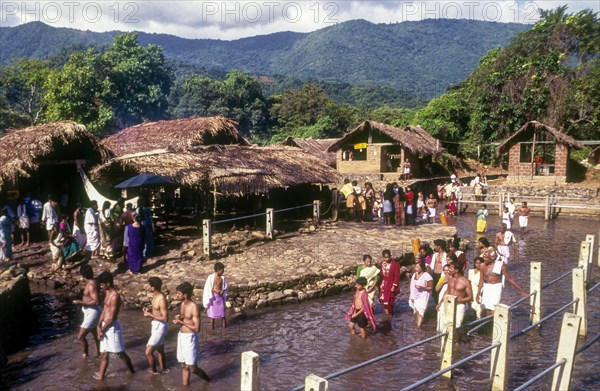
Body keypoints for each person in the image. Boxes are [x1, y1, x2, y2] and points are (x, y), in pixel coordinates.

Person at [95, 271, 135, 380]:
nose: (101, 287)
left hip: (112, 327)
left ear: (108, 283)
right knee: (103, 354)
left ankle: (132, 373)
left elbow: (112, 318)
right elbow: (104, 310)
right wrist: (98, 325)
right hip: (104, 326)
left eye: (102, 284)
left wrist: (101, 330)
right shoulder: (107, 293)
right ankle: (100, 377)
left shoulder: (115, 296)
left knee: (120, 353)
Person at [173, 282, 210, 385]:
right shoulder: (182, 304)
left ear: (185, 295)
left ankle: (209, 381)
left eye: (179, 293)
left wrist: (181, 322)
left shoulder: (193, 307)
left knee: (192, 368)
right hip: (181, 336)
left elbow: (197, 328)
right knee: (183, 366)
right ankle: (185, 387)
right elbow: (184, 319)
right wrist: (178, 319)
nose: (177, 295)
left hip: (189, 338)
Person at [476, 247, 527, 316]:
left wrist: (521, 290)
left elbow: (509, 278)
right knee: (487, 308)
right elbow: (481, 280)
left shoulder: (501, 265)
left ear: (492, 258)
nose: (484, 260)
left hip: (496, 288)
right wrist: (478, 293)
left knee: (494, 308)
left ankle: (496, 323)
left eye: (486, 258)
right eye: (484, 257)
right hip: (487, 287)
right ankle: (489, 324)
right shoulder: (482, 266)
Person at [72, 265, 101, 358]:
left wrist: (80, 302)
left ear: (83, 275)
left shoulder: (91, 285)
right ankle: (99, 355)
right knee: (95, 335)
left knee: (80, 337)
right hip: (90, 311)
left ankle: (85, 357)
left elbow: (96, 301)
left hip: (92, 312)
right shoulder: (92, 282)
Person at [143, 277, 168, 374]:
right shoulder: (154, 296)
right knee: (160, 350)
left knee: (148, 352)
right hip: (155, 325)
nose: (148, 287)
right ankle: (164, 370)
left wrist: (150, 315)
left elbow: (165, 318)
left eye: (149, 285)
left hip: (160, 327)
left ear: (153, 287)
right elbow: (156, 310)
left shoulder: (161, 298)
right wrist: (149, 311)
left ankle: (154, 373)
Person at [438, 260, 473, 328]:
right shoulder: (450, 279)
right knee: (445, 325)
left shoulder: (465, 281)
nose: (449, 269)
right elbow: (447, 291)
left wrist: (459, 300)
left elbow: (470, 297)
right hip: (448, 303)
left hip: (459, 305)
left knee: (457, 326)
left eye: (451, 268)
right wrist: (440, 302)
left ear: (456, 270)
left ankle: (457, 338)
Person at [203, 262, 228, 330]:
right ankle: (212, 330)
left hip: (220, 298)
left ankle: (224, 331)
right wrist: (215, 291)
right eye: (222, 270)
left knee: (223, 315)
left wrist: (223, 291)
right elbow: (208, 288)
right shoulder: (211, 277)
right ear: (218, 270)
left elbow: (225, 287)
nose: (223, 271)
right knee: (212, 317)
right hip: (213, 298)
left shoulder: (223, 278)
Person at [409, 260, 433, 328]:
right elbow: (411, 285)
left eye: (417, 267)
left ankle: (418, 327)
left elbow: (430, 288)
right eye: (415, 267)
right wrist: (411, 296)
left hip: (423, 296)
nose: (416, 268)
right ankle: (419, 323)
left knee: (421, 311)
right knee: (416, 310)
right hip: (414, 295)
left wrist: (422, 287)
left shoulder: (427, 276)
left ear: (422, 268)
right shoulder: (414, 274)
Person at [378, 249, 400, 315]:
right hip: (384, 284)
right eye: (385, 257)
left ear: (390, 256)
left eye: (388, 257)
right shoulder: (382, 264)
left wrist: (394, 286)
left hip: (391, 284)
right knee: (383, 300)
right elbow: (381, 275)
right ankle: (387, 314)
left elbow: (397, 276)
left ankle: (390, 314)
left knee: (390, 301)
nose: (387, 259)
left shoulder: (395, 264)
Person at [435, 264, 452, 332]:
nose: (446, 272)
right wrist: (443, 282)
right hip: (441, 297)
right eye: (444, 270)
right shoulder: (442, 278)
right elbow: (436, 289)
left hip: (449, 298)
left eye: (448, 270)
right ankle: (440, 330)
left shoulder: (453, 278)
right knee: (441, 312)